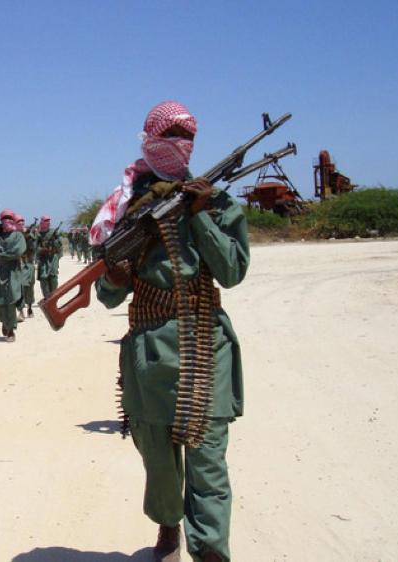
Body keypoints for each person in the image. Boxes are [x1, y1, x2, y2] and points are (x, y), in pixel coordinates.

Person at [91, 100, 248, 562]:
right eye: (170, 134)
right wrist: (114, 278)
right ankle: (167, 524)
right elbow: (106, 295)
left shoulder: (214, 201)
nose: (180, 144)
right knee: (158, 458)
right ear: (148, 140)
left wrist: (199, 215)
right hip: (149, 351)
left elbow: (233, 270)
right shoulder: (125, 206)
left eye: (187, 136)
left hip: (205, 343)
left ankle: (211, 550)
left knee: (208, 462)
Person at [0, 208, 26, 342]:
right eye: (4, 219)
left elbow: (17, 251)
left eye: (10, 218)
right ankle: (4, 322)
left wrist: (2, 255)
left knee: (10, 300)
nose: (7, 221)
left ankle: (11, 329)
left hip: (13, 273)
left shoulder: (18, 236)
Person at [35, 216, 61, 298]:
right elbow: (34, 246)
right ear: (41, 222)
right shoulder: (38, 233)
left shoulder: (54, 232)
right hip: (43, 259)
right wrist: (41, 250)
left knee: (53, 278)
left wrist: (55, 240)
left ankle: (53, 296)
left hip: (53, 258)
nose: (47, 222)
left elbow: (59, 246)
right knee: (43, 278)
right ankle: (47, 298)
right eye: (45, 221)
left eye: (48, 221)